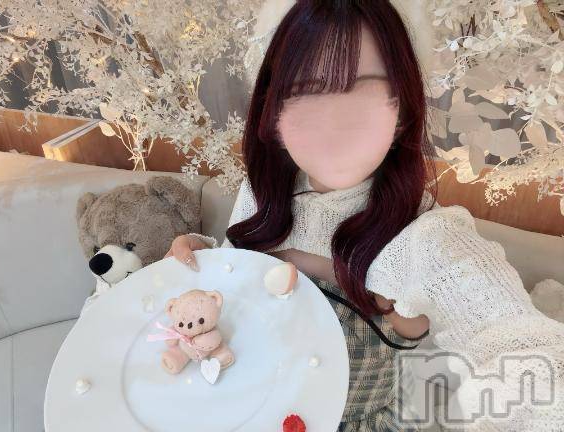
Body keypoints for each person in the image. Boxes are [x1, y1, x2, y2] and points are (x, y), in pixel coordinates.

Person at [165, 1, 564, 430]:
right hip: (258, 404)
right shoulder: (262, 193)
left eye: (365, 89)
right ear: (274, 113)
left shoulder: (426, 235)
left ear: (402, 112)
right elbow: (236, 282)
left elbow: (516, 346)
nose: (335, 122)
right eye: (306, 89)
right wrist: (205, 256)